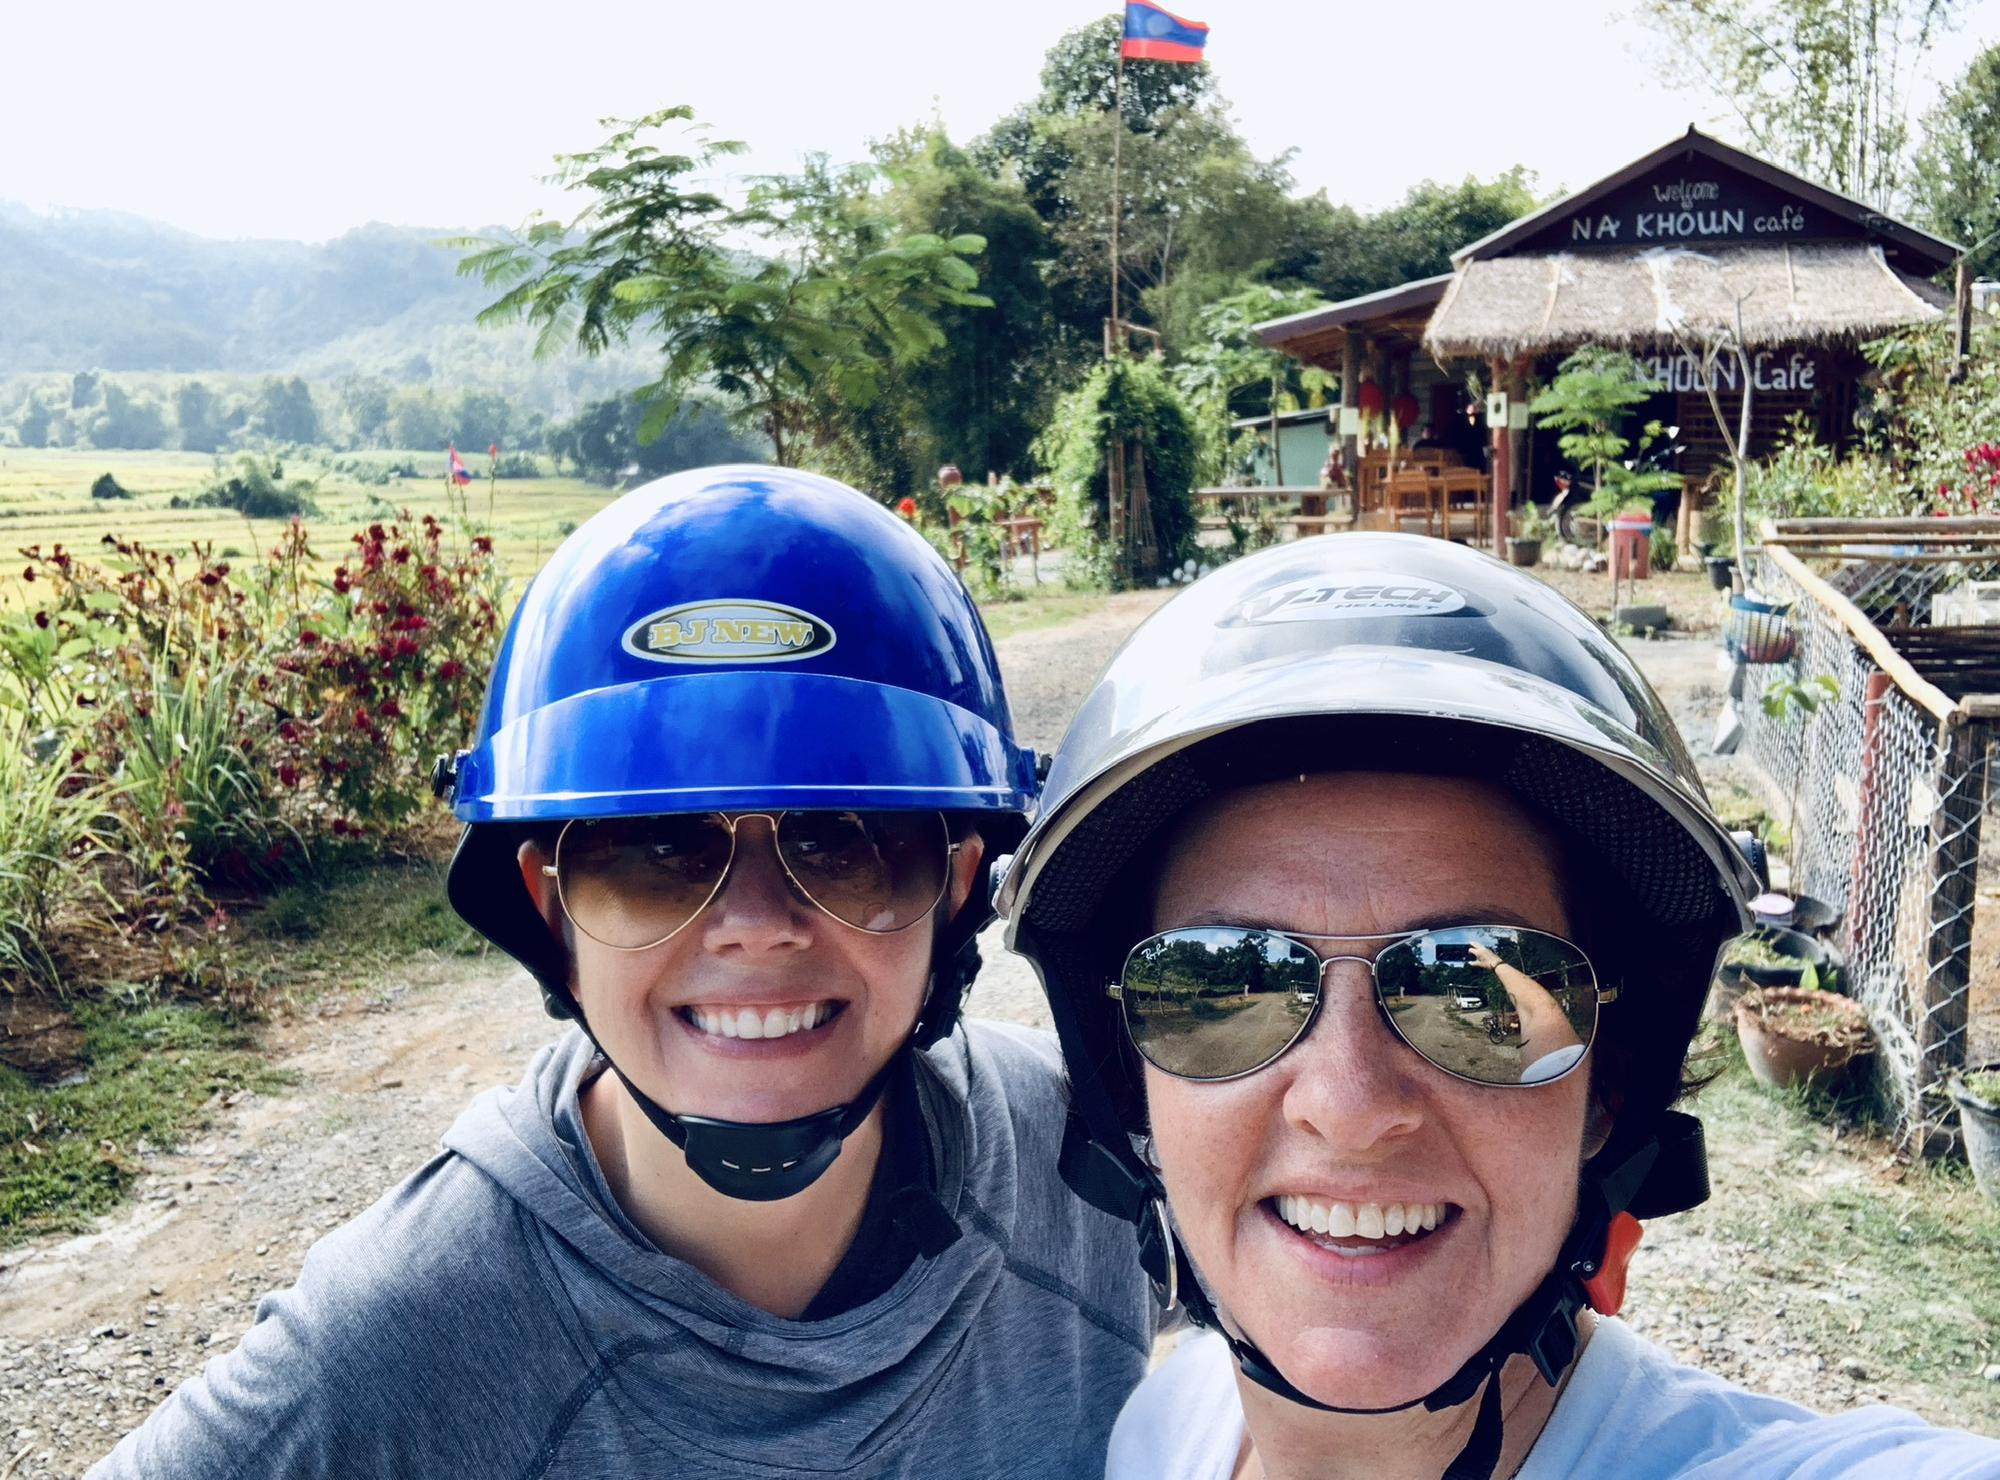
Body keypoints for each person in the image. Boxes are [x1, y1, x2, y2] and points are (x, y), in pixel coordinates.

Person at [91, 466, 1155, 1478]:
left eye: (844, 841)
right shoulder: (402, 1339)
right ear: (549, 908)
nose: (754, 928)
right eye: (655, 850)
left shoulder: (1086, 1167)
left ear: (958, 886)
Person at [998, 534, 2000, 1480]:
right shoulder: (1162, 1430)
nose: (1348, 1106)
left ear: (1606, 1089)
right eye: (1225, 983)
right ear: (1128, 1085)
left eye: (1469, 986)